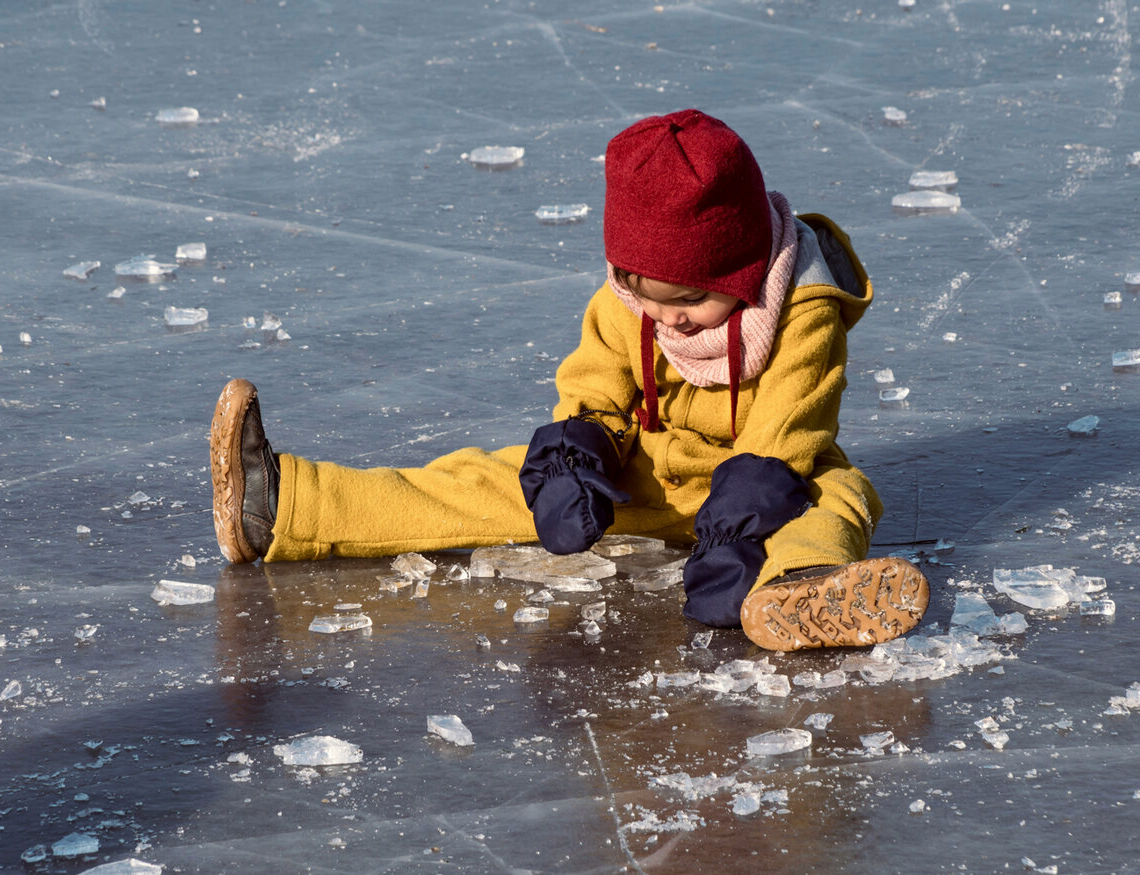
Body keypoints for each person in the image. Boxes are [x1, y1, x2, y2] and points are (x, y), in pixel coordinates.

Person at [208, 108, 929, 652]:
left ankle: (792, 589)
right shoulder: (630, 301)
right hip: (649, 469)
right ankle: (286, 506)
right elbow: (596, 385)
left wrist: (738, 533)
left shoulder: (803, 308)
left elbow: (787, 434)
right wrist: (574, 463)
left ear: (743, 273)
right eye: (647, 296)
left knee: (842, 496)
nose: (668, 321)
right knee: (484, 480)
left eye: (691, 302)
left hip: (769, 486)